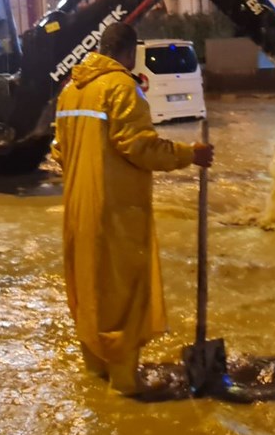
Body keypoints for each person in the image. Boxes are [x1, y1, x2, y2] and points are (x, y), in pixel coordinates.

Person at [51, 22, 215, 396]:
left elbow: (59, 152)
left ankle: (96, 370)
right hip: (115, 212)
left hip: (77, 210)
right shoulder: (123, 88)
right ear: (128, 53)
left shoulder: (70, 92)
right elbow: (139, 146)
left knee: (89, 287)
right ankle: (125, 383)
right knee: (120, 290)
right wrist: (190, 154)